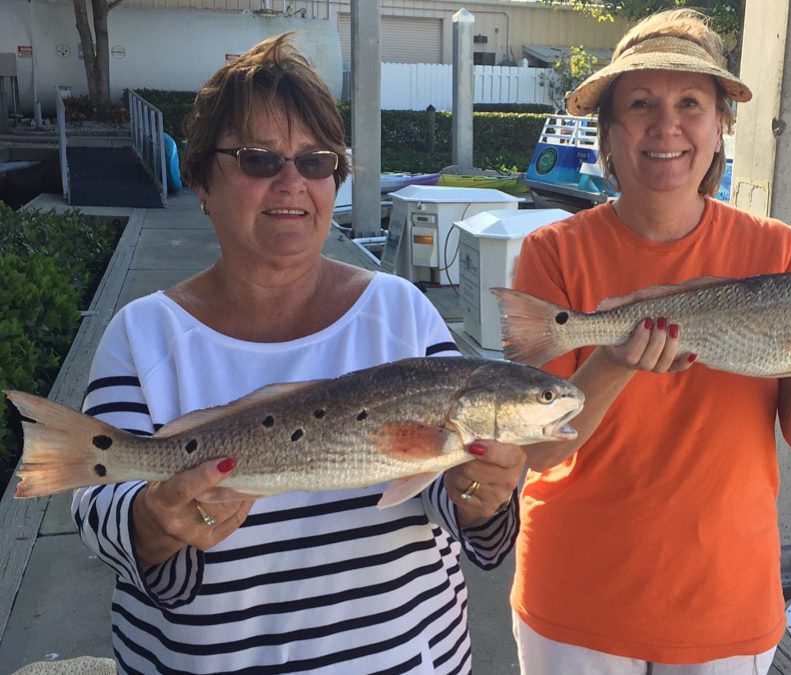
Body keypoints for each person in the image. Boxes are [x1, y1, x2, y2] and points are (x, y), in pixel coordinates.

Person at [72, 34, 524, 674]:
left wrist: (484, 496)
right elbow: (97, 501)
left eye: (317, 162)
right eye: (258, 160)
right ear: (200, 179)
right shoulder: (142, 334)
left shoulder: (402, 311)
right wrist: (153, 522)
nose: (293, 182)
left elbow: (451, 504)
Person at [509, 9, 791, 674]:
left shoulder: (775, 249)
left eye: (691, 102)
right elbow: (539, 449)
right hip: (576, 597)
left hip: (724, 603)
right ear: (609, 131)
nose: (667, 125)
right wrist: (614, 362)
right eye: (640, 104)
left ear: (720, 127)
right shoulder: (553, 252)